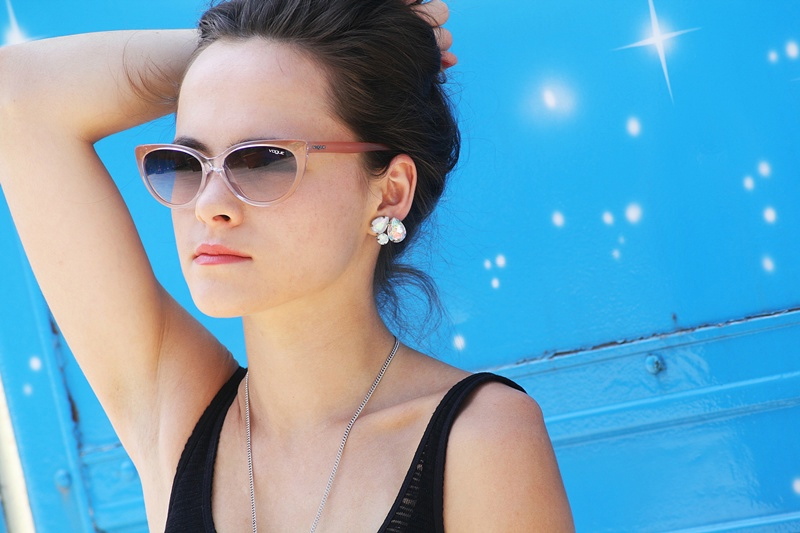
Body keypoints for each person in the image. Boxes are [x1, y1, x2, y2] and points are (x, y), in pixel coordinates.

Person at [0, 0, 573, 530]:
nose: (209, 205)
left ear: (389, 192)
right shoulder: (177, 417)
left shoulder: (481, 438)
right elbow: (15, 94)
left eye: (262, 161)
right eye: (187, 162)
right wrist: (236, 56)